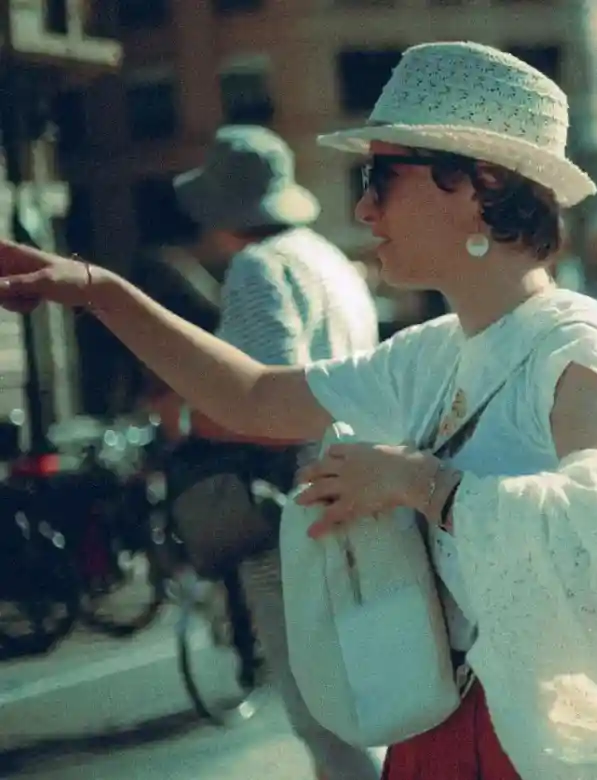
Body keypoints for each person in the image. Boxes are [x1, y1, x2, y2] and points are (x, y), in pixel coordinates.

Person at [0, 42, 597, 780]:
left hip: (553, 744)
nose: (364, 206)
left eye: (381, 176)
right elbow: (254, 397)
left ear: (483, 183)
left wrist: (416, 482)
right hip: (437, 730)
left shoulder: (576, 341)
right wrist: (99, 291)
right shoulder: (430, 351)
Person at [153, 125, 385, 780]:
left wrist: (188, 416)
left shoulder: (259, 268)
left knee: (321, 715)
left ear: (221, 209)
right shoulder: (326, 258)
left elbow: (271, 405)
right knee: (357, 699)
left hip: (288, 514)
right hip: (347, 492)